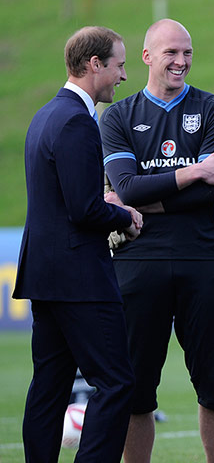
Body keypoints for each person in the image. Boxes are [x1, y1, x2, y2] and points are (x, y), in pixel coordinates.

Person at [99, 19, 214, 463]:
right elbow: (128, 186)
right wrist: (194, 169)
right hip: (138, 265)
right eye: (171, 53)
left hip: (203, 261)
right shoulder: (118, 116)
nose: (181, 61)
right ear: (146, 57)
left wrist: (140, 199)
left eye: (187, 53)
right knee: (136, 392)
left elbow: (208, 192)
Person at [14, 26, 141, 462]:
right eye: (119, 65)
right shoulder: (77, 121)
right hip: (79, 277)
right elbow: (84, 210)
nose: (123, 76)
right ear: (94, 65)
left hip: (45, 273)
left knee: (50, 385)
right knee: (117, 381)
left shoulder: (46, 114)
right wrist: (124, 215)